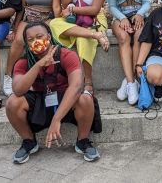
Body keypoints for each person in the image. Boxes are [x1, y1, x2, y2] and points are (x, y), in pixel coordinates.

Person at [6, 22, 100, 164]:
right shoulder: (23, 62)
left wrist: (56, 120)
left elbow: (76, 87)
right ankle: (29, 142)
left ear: (48, 36)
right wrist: (38, 65)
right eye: (30, 40)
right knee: (12, 102)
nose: (36, 42)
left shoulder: (67, 55)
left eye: (39, 36)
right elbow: (18, 89)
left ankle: (83, 141)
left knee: (85, 98)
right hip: (40, 100)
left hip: (66, 101)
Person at [3, 0, 63, 96]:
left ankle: (42, 78)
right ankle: (8, 76)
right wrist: (15, 28)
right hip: (29, 17)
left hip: (46, 17)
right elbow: (23, 8)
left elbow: (56, 6)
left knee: (42, 39)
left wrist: (60, 21)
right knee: (18, 41)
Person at [49, 0, 110, 95]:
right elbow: (64, 3)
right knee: (54, 24)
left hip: (94, 19)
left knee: (83, 40)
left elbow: (95, 9)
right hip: (75, 20)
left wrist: (72, 8)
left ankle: (88, 82)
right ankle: (95, 35)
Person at [106, 0, 151, 105]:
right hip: (120, 17)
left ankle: (129, 80)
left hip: (138, 15)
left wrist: (139, 14)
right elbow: (111, 6)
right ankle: (132, 84)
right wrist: (122, 18)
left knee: (139, 36)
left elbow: (147, 2)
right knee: (124, 37)